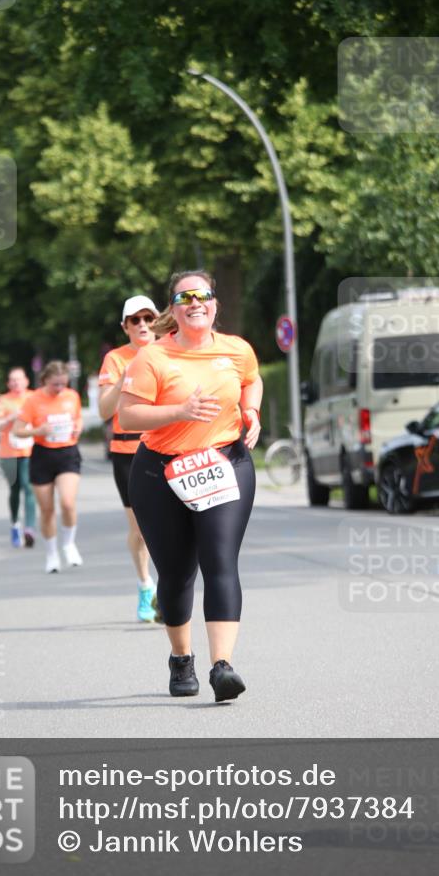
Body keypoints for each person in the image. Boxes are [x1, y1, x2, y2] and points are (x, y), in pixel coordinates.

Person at [119, 270, 263, 702]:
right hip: (160, 472)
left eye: (203, 295)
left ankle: (223, 666)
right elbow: (128, 416)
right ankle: (181, 658)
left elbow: (252, 379)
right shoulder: (153, 357)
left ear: (215, 304)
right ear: (174, 309)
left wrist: (251, 411)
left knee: (220, 560)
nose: (195, 302)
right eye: (185, 297)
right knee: (177, 574)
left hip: (224, 462)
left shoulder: (236, 349)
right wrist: (180, 411)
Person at [99, 295, 160, 623]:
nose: (143, 325)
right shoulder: (115, 359)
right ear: (125, 327)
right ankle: (145, 584)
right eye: (135, 320)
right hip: (127, 453)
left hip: (165, 447)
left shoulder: (169, 352)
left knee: (171, 523)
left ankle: (170, 584)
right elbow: (104, 410)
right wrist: (128, 375)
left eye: (148, 318)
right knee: (140, 528)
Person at [13, 361, 83, 573]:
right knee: (47, 510)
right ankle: (52, 554)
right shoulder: (33, 400)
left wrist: (78, 428)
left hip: (68, 453)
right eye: (55, 384)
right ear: (44, 381)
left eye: (63, 384)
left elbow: (78, 419)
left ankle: (69, 544)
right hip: (42, 455)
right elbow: (18, 430)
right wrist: (38, 431)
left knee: (67, 503)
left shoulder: (72, 396)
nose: (60, 388)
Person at [0, 368, 36, 548]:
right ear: (8, 384)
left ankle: (29, 529)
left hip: (31, 451)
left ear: (26, 381)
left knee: (29, 487)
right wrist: (10, 417)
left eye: (19, 379)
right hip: (8, 453)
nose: (16, 383)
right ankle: (15, 524)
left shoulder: (34, 397)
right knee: (15, 489)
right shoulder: (3, 401)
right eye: (12, 380)